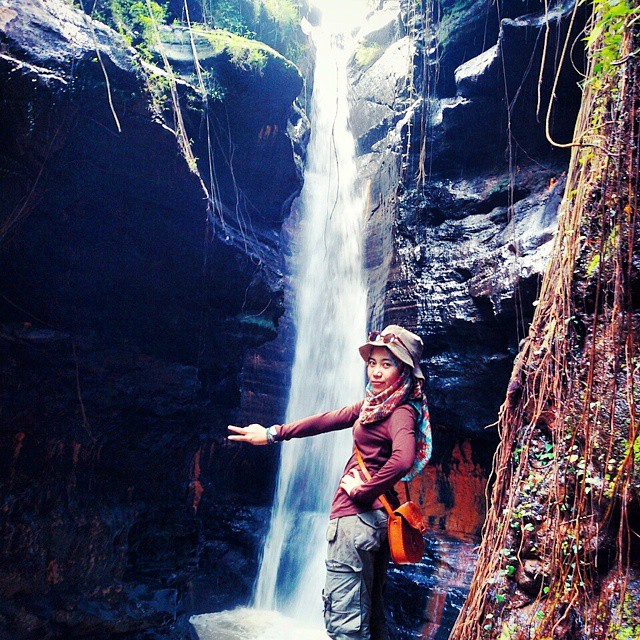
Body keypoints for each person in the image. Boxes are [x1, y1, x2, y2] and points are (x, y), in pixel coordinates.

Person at [228, 325, 432, 640]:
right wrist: (272, 433)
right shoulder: (376, 405)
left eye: (387, 364)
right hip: (373, 521)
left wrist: (363, 491)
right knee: (371, 617)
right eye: (373, 362)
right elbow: (326, 419)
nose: (375, 372)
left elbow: (404, 459)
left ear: (403, 370)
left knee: (346, 623)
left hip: (354, 522)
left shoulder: (399, 411)